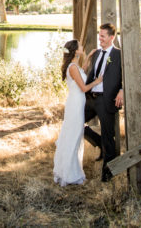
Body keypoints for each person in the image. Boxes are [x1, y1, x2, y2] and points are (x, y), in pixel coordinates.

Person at [52, 38, 103, 186]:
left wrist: (87, 58)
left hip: (77, 102)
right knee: (74, 137)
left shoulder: (74, 66)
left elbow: (83, 71)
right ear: (75, 51)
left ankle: (70, 170)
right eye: (81, 46)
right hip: (75, 104)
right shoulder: (73, 67)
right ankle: (69, 174)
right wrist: (98, 81)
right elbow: (84, 88)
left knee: (75, 134)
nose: (83, 46)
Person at [84, 23, 123, 182]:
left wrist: (122, 90)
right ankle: (98, 142)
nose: (99, 39)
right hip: (91, 99)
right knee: (75, 124)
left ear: (111, 37)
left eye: (103, 36)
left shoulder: (119, 54)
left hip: (106, 100)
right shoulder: (96, 53)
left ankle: (108, 174)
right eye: (99, 35)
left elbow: (127, 75)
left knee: (108, 137)